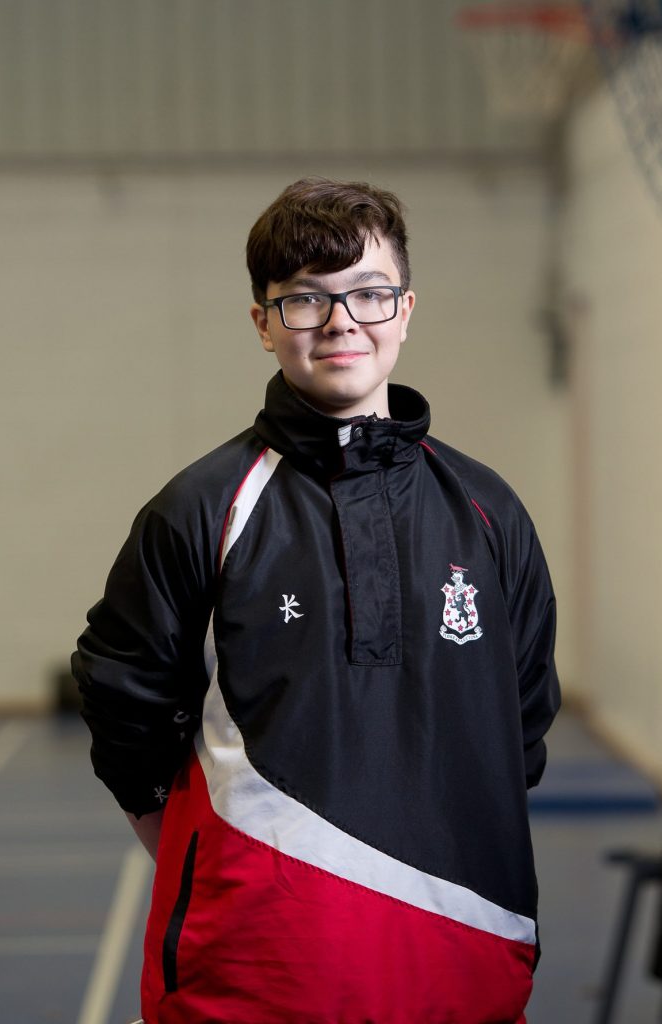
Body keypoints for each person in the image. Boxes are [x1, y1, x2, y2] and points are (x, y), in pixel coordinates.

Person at [72, 177, 561, 1024]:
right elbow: (126, 711)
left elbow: (521, 724)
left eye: (369, 294)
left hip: (465, 958)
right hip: (257, 975)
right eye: (305, 300)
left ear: (406, 310)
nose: (342, 323)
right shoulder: (200, 509)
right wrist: (219, 861)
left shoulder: (488, 510)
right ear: (263, 324)